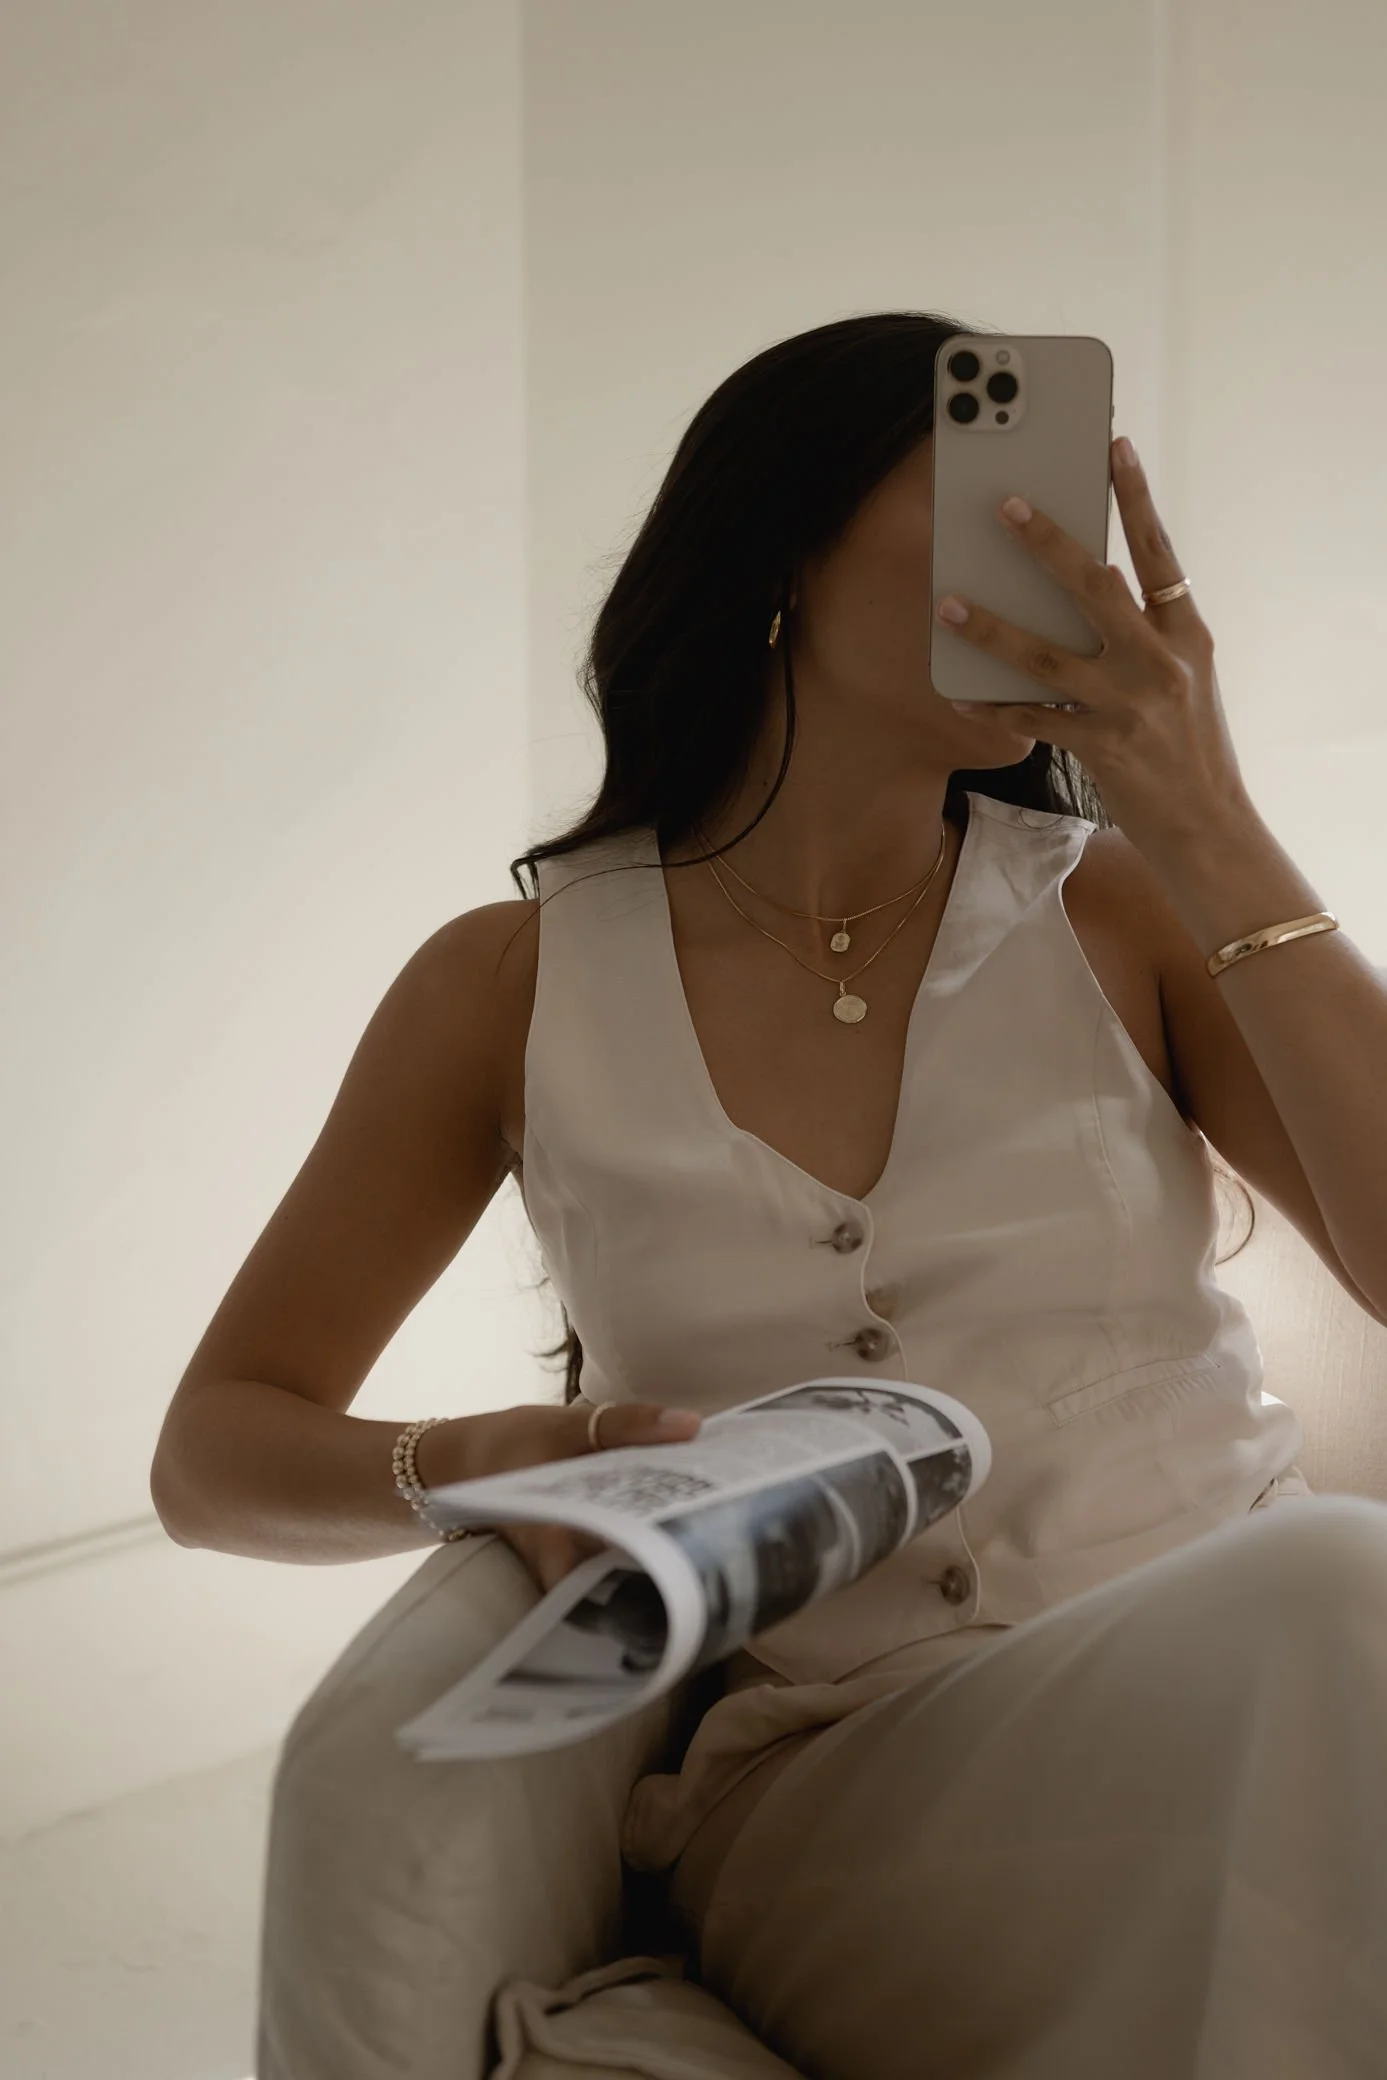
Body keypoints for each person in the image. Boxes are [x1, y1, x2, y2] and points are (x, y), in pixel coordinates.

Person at [150, 312, 1387, 2079]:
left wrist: (1208, 822)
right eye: (980, 500)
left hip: (1277, 1721)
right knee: (1340, 1597)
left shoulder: (1121, 913)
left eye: (1060, 512)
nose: (1041, 556)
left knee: (1331, 1616)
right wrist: (485, 1461)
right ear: (775, 555)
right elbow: (213, 1455)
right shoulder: (507, 983)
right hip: (840, 1803)